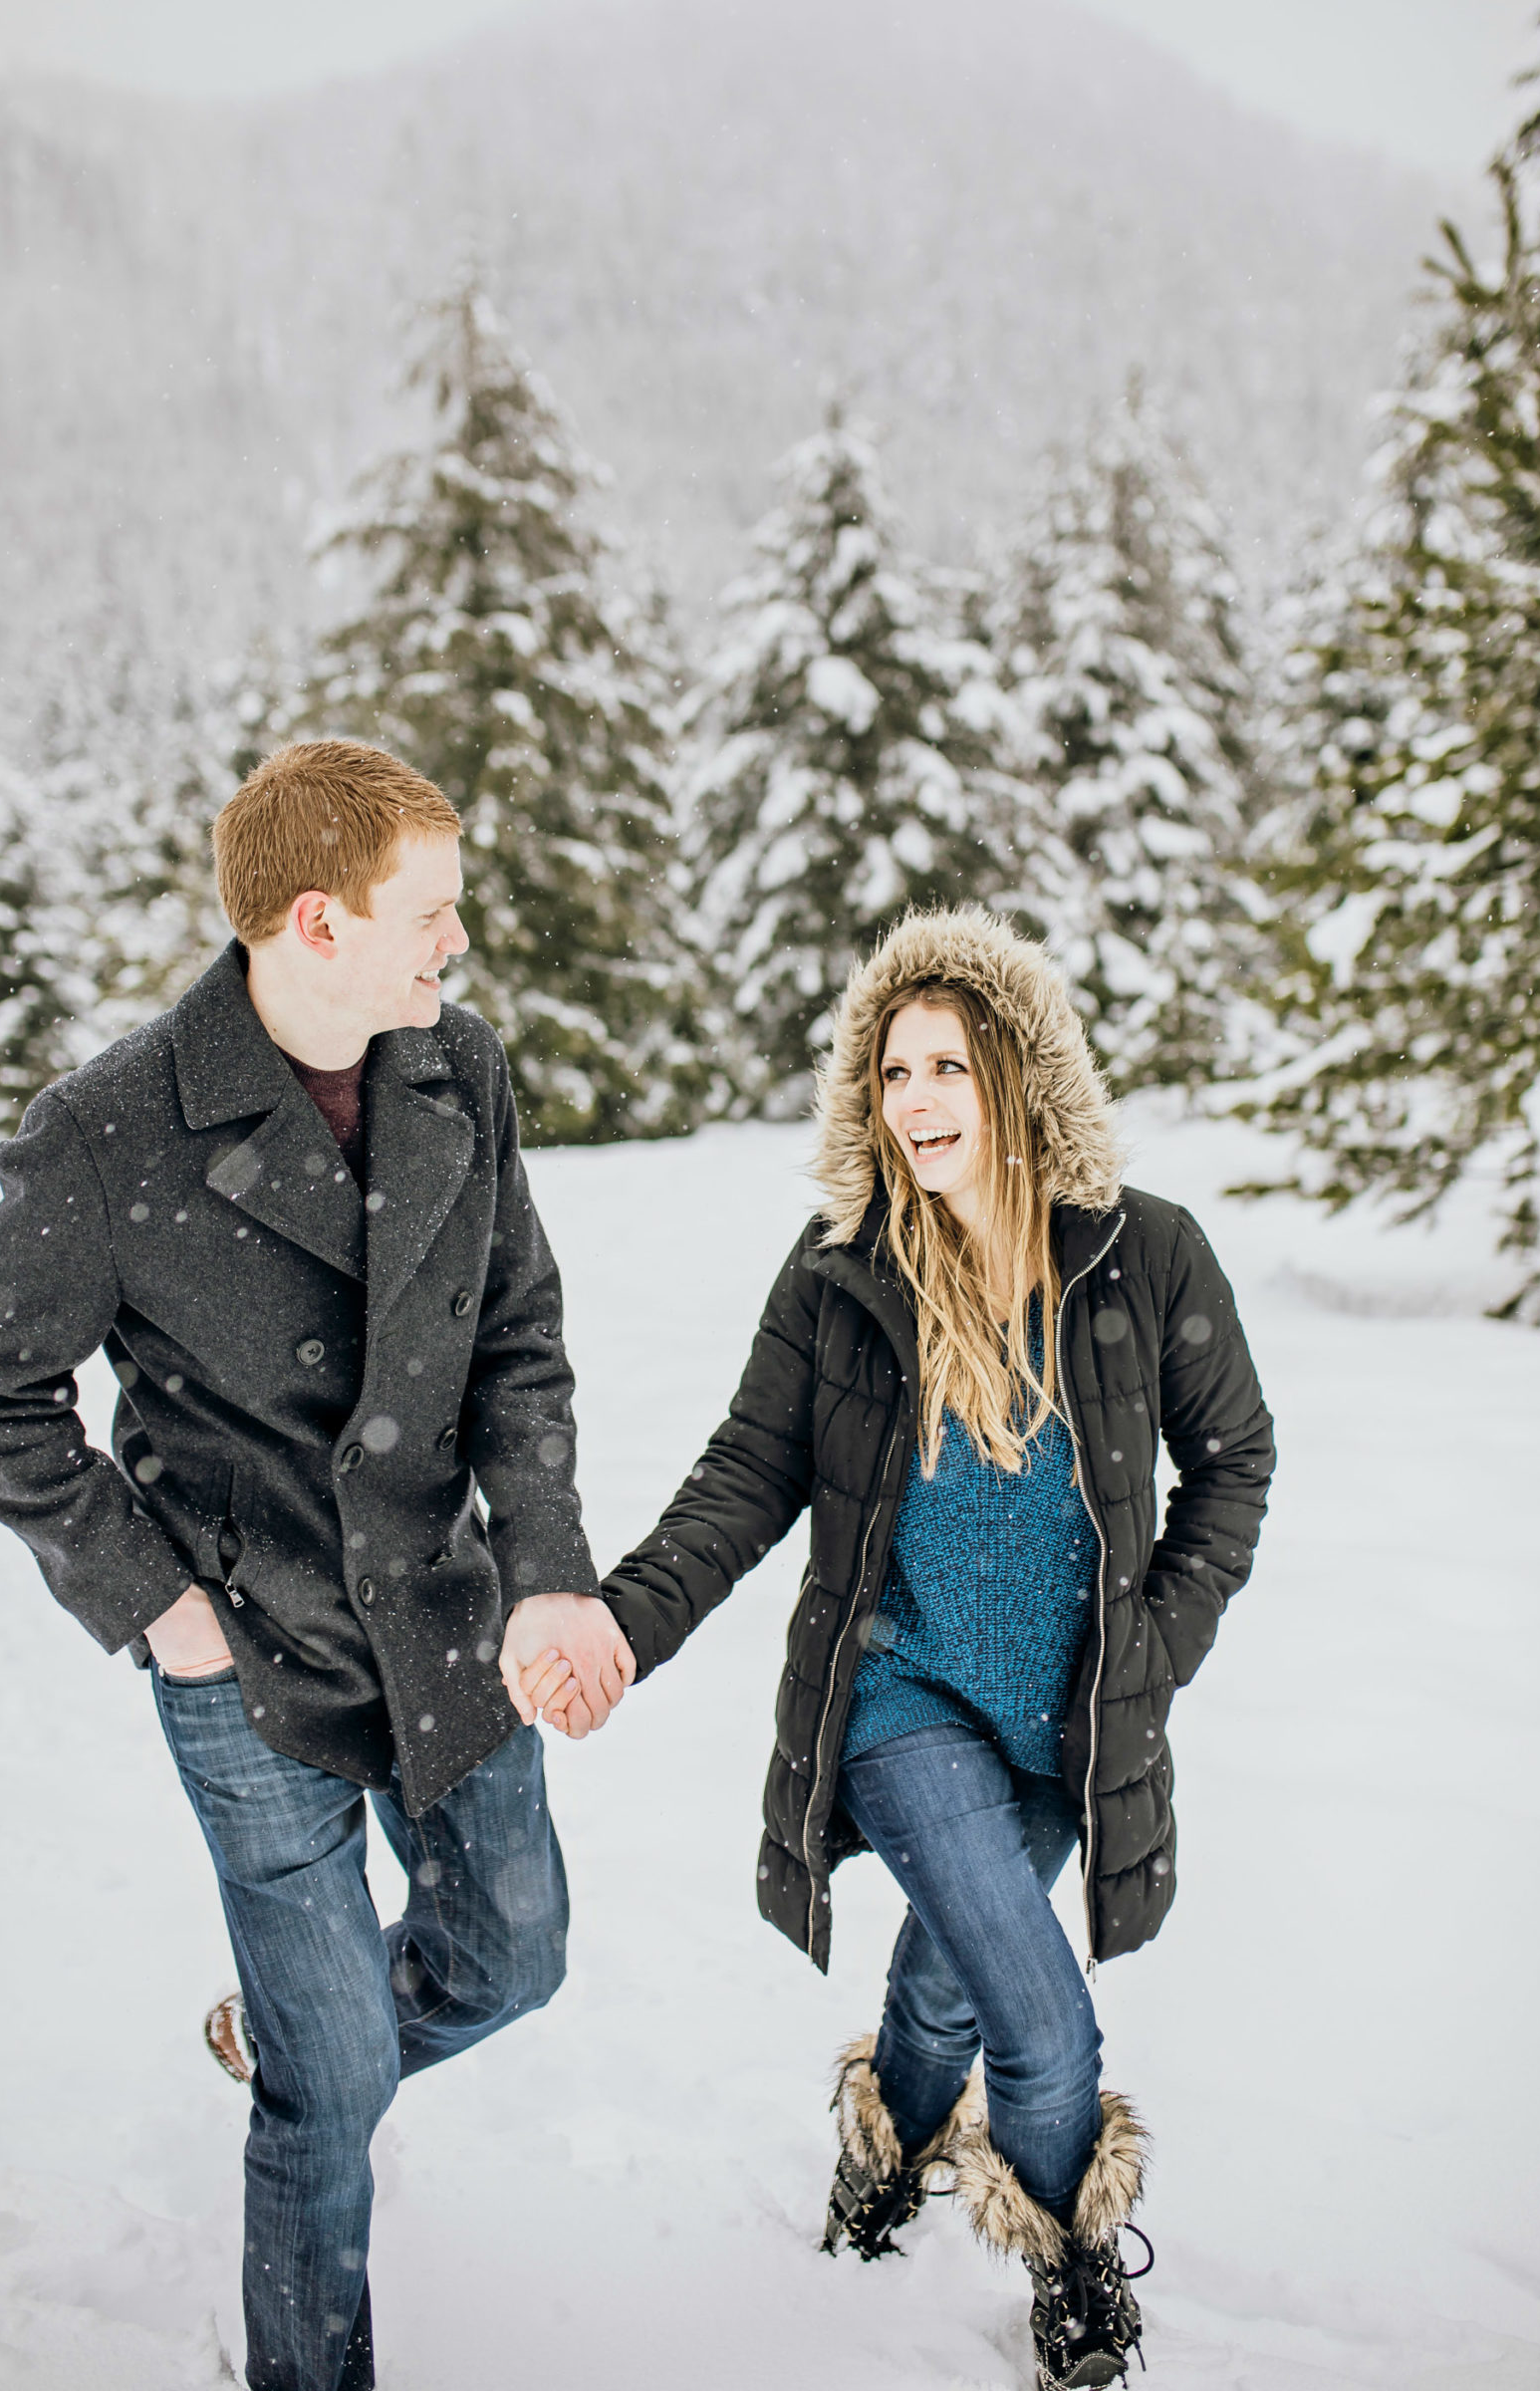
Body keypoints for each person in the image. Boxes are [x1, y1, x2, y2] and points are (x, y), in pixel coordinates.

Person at [0, 738, 633, 2391]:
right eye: (429, 915)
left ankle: (317, 2032)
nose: (456, 945)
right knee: (329, 2095)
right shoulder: (110, 1130)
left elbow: (517, 1337)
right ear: (316, 923)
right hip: (248, 1665)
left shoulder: (459, 1070)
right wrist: (155, 1607)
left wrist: (544, 1566)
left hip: (452, 1624)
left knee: (514, 1958)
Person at [568, 905, 1275, 2389]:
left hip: (1067, 1725)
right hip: (902, 1699)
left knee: (956, 1974)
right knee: (1035, 2007)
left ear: (1016, 1080)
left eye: (947, 1067)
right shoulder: (843, 1271)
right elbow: (746, 1475)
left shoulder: (1143, 1259)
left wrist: (1159, 1646)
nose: (917, 1102)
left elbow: (1236, 1462)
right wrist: (625, 1620)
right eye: (893, 1074)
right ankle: (1079, 2274)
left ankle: (882, 2151)